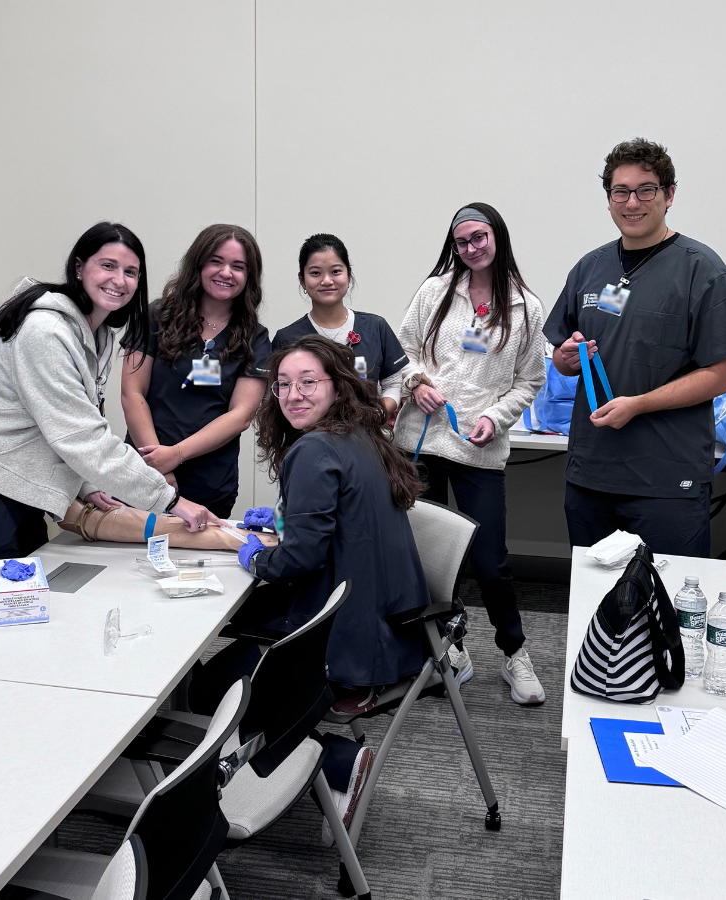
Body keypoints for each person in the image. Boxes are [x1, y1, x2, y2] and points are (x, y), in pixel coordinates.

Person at [194, 335, 431, 844]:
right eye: (282, 385)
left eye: (308, 382)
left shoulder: (314, 449)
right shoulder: (361, 434)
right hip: (391, 625)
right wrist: (286, 520)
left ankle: (337, 761)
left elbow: (300, 560)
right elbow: (342, 519)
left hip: (346, 641)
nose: (293, 395)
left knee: (209, 688)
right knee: (237, 645)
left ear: (337, 386)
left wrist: (256, 556)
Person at [0, 222, 219, 609]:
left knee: (24, 605)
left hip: (16, 483)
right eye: (107, 266)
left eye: (130, 272)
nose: (119, 280)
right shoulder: (45, 332)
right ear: (79, 268)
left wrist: (85, 483)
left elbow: (64, 421)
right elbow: (81, 437)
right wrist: (171, 500)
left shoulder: (98, 333)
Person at [545, 138, 726, 559]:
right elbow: (561, 355)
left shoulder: (702, 270)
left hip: (666, 479)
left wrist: (639, 404)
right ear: (608, 199)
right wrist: (565, 358)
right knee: (594, 592)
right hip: (592, 473)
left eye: (646, 190)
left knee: (665, 590)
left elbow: (721, 376)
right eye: (620, 191)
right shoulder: (590, 268)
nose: (632, 202)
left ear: (669, 195)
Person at [391, 202, 548, 706]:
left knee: (490, 561)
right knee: (428, 558)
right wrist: (417, 384)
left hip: (478, 448)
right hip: (421, 441)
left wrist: (496, 418)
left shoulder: (525, 307)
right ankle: (448, 649)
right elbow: (401, 353)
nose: (471, 248)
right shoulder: (435, 292)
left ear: (497, 237)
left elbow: (530, 381)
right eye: (461, 242)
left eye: (479, 237)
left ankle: (514, 653)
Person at [121, 224, 271, 519]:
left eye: (238, 266)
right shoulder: (157, 316)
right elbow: (131, 392)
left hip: (210, 483)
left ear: (249, 276)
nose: (226, 272)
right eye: (216, 261)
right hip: (145, 474)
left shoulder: (255, 337)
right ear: (198, 264)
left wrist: (175, 455)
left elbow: (241, 415)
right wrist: (158, 466)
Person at [270, 233, 408, 420]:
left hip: (366, 434)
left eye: (335, 271)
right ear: (302, 280)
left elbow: (393, 383)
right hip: (307, 436)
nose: (327, 280)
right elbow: (276, 396)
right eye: (315, 273)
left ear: (348, 275)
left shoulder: (376, 327)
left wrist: (374, 415)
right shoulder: (287, 338)